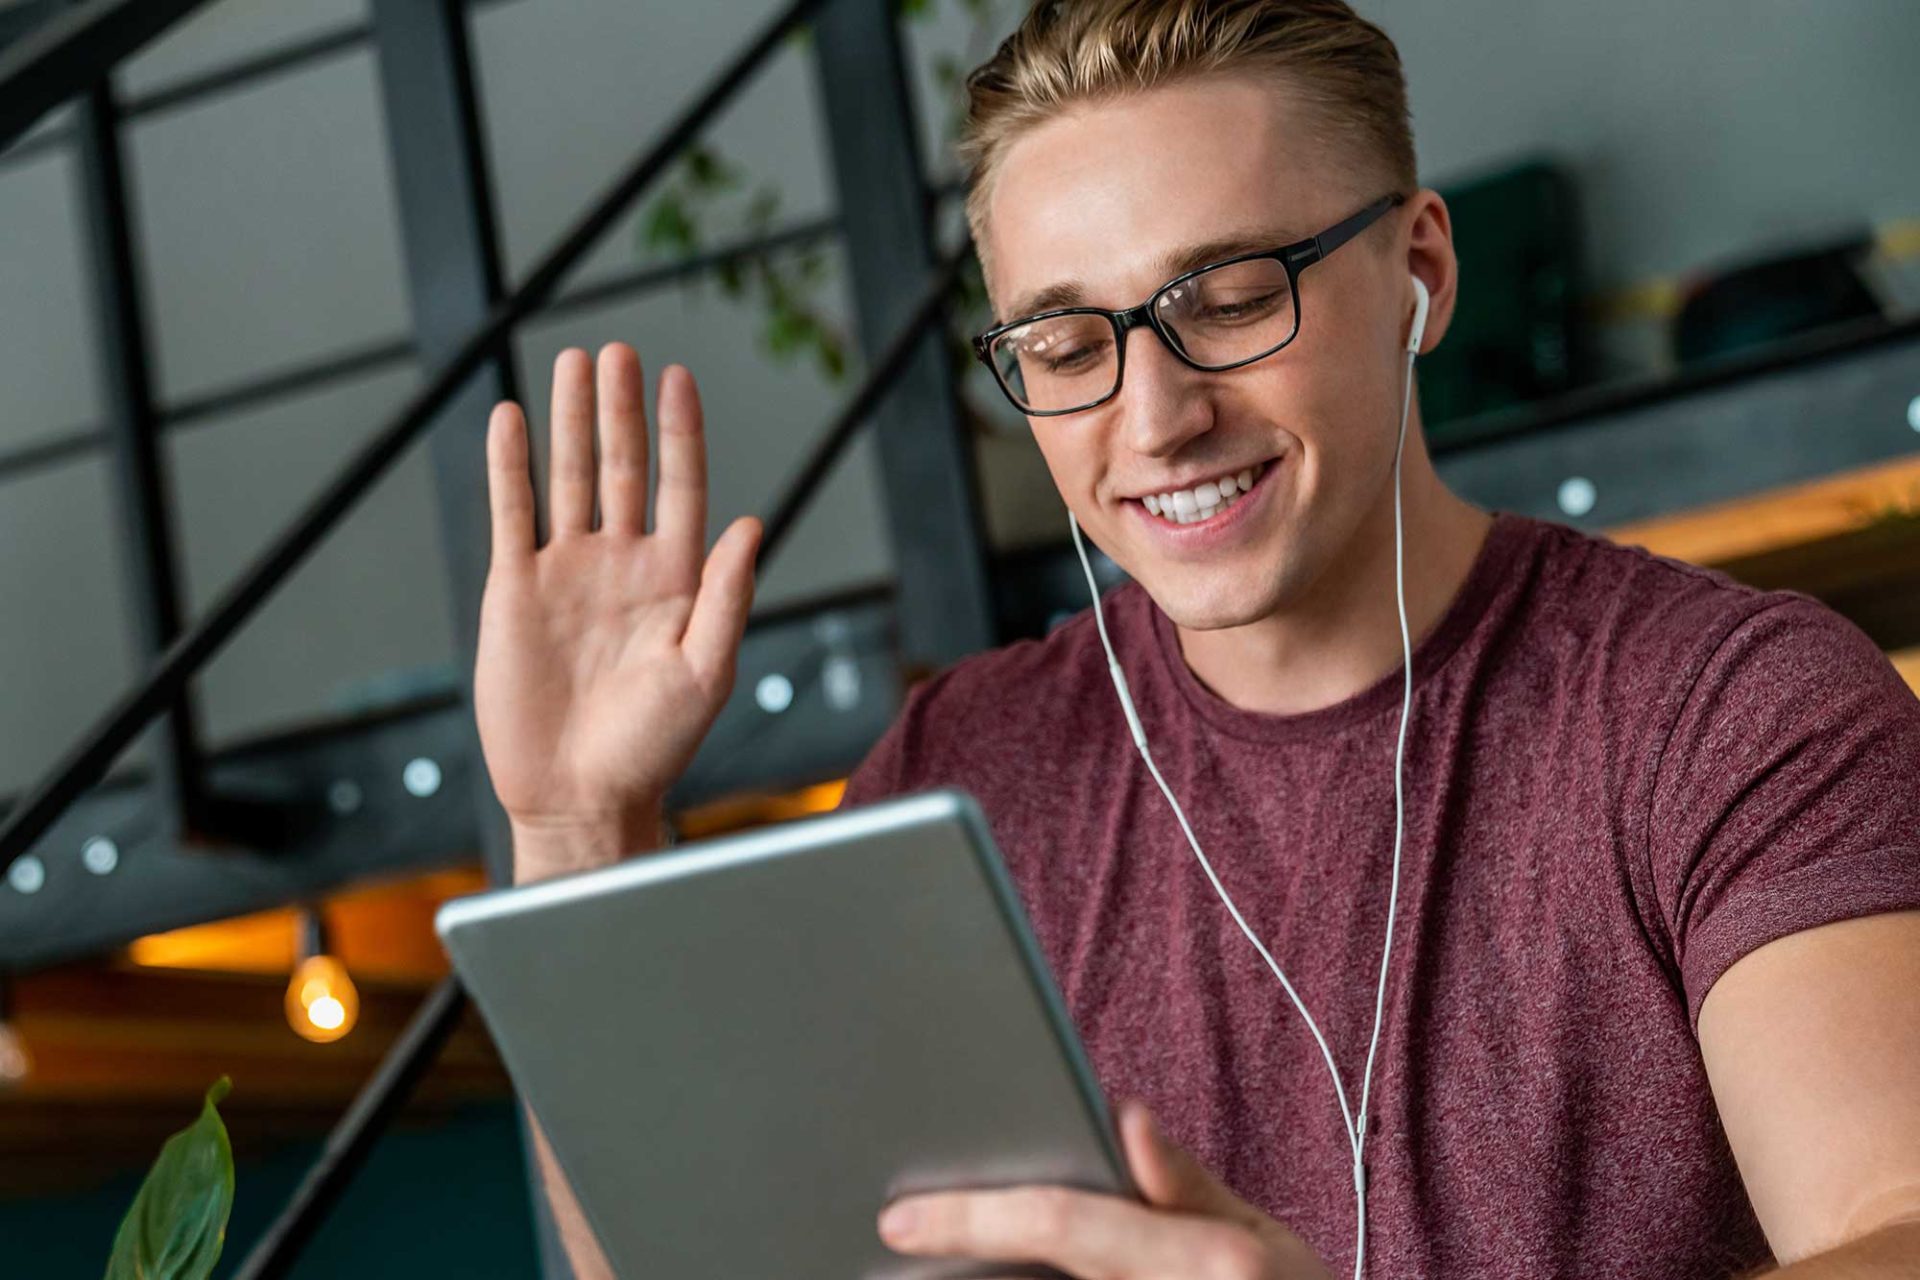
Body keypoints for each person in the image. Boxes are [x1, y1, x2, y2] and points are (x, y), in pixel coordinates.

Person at [472, 2, 1920, 1276]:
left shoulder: (1732, 713)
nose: (1155, 415)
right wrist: (576, 829)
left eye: (1229, 300)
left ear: (1420, 267)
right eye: (1065, 346)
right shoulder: (961, 769)